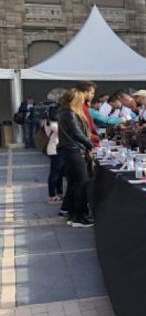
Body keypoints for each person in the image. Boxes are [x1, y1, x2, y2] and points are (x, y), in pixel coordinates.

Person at [57, 89, 94, 228]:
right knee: (81, 183)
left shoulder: (64, 112)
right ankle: (80, 217)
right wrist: (90, 145)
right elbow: (78, 133)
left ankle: (74, 215)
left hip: (69, 150)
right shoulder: (70, 113)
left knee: (74, 184)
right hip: (74, 150)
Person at [45, 105, 64, 205]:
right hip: (55, 150)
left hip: (57, 150)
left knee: (59, 173)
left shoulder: (52, 122)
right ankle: (52, 195)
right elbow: (62, 131)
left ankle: (59, 193)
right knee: (54, 174)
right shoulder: (52, 124)